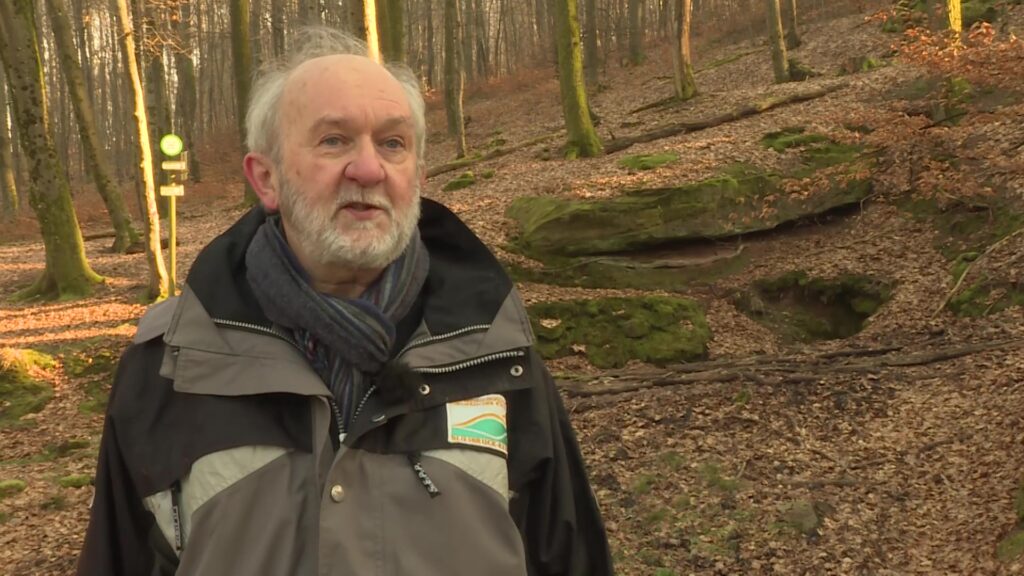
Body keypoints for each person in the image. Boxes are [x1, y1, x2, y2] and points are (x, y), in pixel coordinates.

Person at [77, 28, 613, 576]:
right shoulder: (171, 366)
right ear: (267, 179)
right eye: (334, 140)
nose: (368, 169)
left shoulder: (496, 355)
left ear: (418, 178)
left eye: (393, 144)